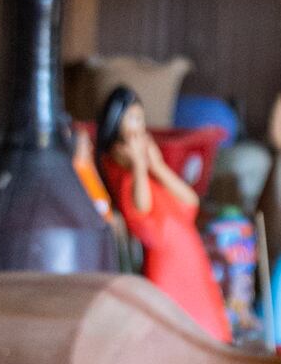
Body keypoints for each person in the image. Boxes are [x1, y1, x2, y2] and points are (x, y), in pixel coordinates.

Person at [97, 86, 231, 343]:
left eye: (141, 119)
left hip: (186, 257)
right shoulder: (123, 172)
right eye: (133, 119)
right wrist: (138, 166)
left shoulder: (148, 174)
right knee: (176, 331)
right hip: (166, 264)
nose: (140, 128)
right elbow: (140, 216)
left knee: (206, 326)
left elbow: (190, 201)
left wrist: (157, 167)